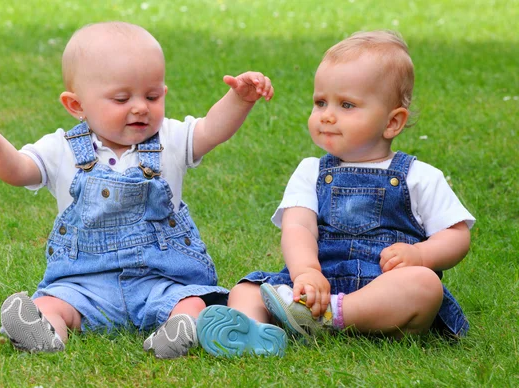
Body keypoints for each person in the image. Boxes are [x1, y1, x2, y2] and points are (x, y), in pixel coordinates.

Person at [0, 21, 279, 359]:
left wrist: (239, 99)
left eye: (152, 96)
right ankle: (45, 331)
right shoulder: (61, 148)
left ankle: (180, 328)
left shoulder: (171, 139)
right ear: (76, 105)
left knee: (191, 301)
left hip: (161, 278)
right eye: (121, 98)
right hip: (84, 283)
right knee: (52, 302)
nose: (139, 107)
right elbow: (16, 170)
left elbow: (213, 129)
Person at [197, 30, 475, 353]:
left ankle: (331, 316)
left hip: (382, 288)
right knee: (247, 288)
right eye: (320, 102)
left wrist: (421, 256)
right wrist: (306, 272)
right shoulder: (311, 171)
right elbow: (298, 226)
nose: (326, 115)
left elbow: (456, 235)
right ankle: (252, 332)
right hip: (315, 283)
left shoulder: (418, 176)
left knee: (425, 285)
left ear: (392, 123)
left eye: (346, 104)